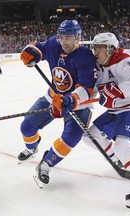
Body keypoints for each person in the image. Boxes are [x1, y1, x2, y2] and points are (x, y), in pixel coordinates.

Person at [82, 32, 130, 208]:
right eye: (94, 48)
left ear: (110, 49)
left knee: (123, 144)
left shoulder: (123, 60)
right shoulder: (99, 67)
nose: (95, 52)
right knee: (90, 136)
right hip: (115, 111)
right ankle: (117, 159)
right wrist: (74, 100)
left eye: (99, 48)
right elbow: (93, 90)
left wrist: (113, 92)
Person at [19, 20, 97, 187]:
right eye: (61, 37)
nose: (64, 42)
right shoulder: (54, 44)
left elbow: (87, 88)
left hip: (77, 103)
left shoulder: (85, 56)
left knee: (71, 138)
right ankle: (32, 147)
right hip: (53, 96)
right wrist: (31, 51)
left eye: (68, 37)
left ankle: (46, 164)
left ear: (78, 38)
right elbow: (38, 47)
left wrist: (70, 100)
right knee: (26, 127)